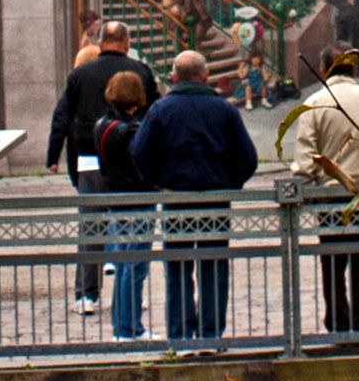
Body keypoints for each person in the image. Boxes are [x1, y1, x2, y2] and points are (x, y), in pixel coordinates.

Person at [125, 53, 256, 344]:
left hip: (176, 196)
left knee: (178, 264)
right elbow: (247, 158)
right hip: (215, 197)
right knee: (213, 264)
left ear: (174, 78)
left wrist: (156, 179)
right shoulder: (224, 110)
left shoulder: (161, 109)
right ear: (205, 76)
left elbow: (140, 152)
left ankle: (181, 335)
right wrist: (230, 182)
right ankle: (210, 334)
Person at [277, 50, 359, 336]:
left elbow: (305, 157)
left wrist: (304, 184)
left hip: (331, 195)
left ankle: (337, 321)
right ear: (355, 67)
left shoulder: (314, 103)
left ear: (323, 70)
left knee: (332, 261)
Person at [45, 24, 155, 304]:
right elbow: (153, 115)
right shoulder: (140, 71)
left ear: (102, 41)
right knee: (132, 226)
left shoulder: (80, 74)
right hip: (130, 158)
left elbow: (63, 117)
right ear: (126, 41)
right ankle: (130, 293)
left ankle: (86, 294)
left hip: (89, 158)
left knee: (90, 226)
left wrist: (54, 156)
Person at [80, 68, 157, 342]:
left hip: (115, 197)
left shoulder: (101, 124)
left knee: (125, 263)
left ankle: (121, 325)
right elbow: (144, 163)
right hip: (137, 197)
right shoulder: (133, 129)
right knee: (135, 266)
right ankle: (129, 328)